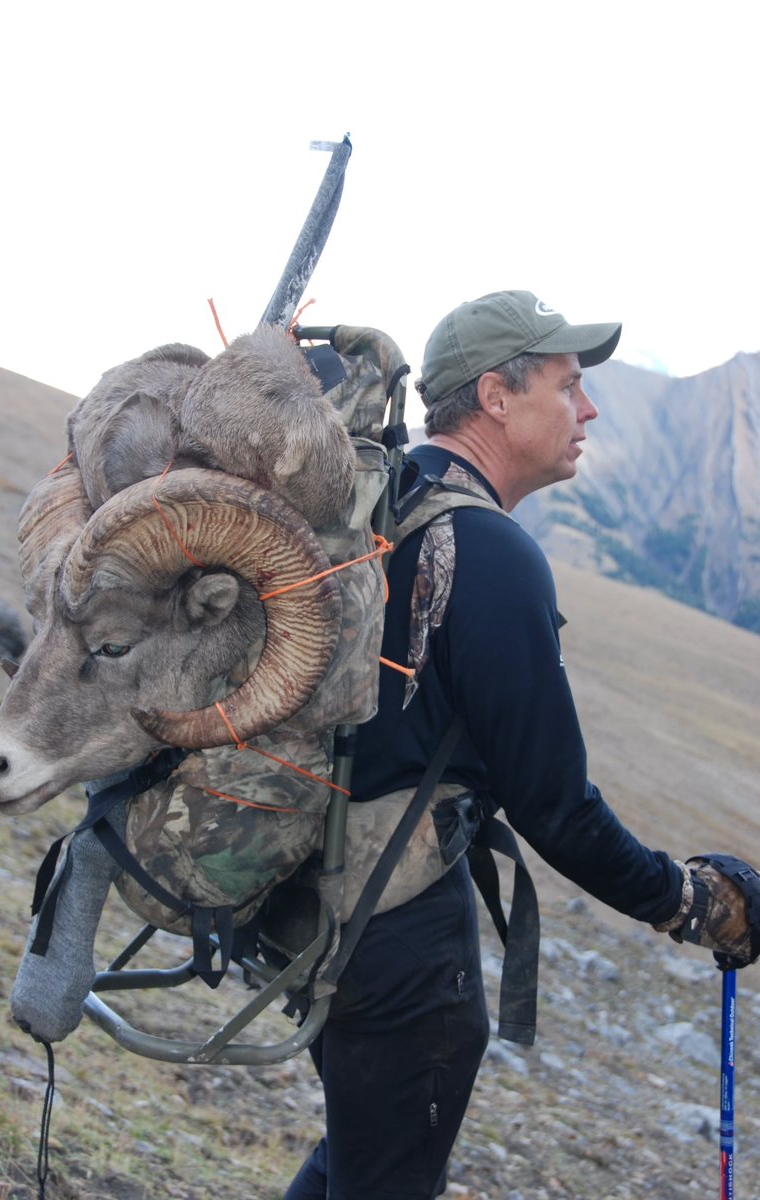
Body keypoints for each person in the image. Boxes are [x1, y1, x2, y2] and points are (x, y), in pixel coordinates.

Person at [283, 290, 759, 1200]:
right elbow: (555, 806)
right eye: (568, 386)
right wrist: (688, 902)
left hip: (313, 898)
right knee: (383, 1174)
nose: (589, 410)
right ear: (495, 398)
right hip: (400, 930)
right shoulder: (487, 549)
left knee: (364, 1157)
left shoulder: (379, 502)